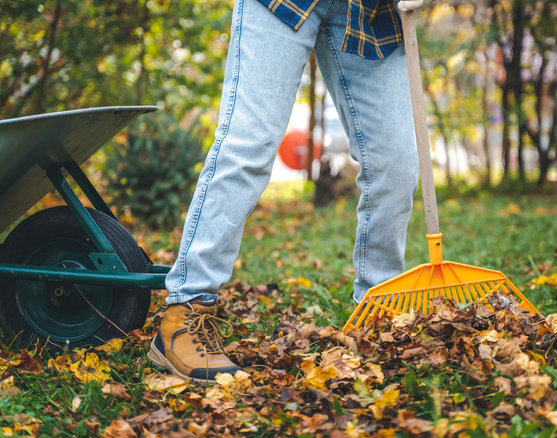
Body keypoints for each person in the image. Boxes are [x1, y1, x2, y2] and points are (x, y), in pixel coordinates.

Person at [148, 0, 421, 383]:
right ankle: (186, 311)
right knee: (250, 146)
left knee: (397, 162)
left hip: (369, 11)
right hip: (285, 4)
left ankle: (378, 309)